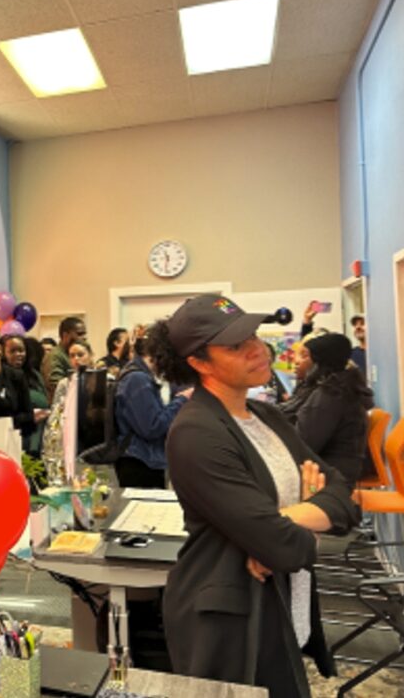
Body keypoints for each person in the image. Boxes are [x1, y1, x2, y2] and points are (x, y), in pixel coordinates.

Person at [148, 294, 360, 696]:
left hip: (282, 603)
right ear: (198, 363)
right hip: (229, 620)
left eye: (254, 336)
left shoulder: (266, 415)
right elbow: (281, 545)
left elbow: (343, 496)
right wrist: (302, 522)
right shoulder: (196, 434)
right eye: (234, 345)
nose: (258, 349)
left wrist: (286, 518)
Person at [279, 333, 374, 485]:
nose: (296, 361)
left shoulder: (331, 395)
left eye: (305, 356)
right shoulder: (335, 386)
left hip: (332, 474)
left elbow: (304, 444)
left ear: (318, 361)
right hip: (335, 466)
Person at [113, 334, 192, 488]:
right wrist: (181, 400)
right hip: (140, 462)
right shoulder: (137, 379)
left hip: (141, 459)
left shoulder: (137, 376)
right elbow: (152, 427)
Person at [41, 340, 95, 483]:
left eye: (80, 354)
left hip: (94, 437)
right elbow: (56, 413)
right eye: (72, 356)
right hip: (71, 438)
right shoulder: (64, 383)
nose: (76, 359)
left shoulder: (104, 380)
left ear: (90, 356)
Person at [3, 335, 49, 456]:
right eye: (12, 351)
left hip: (40, 438)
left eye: (21, 350)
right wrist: (30, 416)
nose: (18, 354)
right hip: (15, 439)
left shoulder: (34, 374)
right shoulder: (1, 378)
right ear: (3, 353)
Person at [42, 317, 87, 400]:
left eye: (84, 334)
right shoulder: (55, 356)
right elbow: (56, 387)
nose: (84, 338)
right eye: (80, 334)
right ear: (65, 335)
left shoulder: (81, 354)